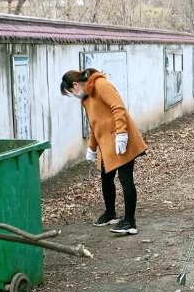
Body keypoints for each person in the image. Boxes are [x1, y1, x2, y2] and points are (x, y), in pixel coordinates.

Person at [60, 68, 147, 235]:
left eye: (71, 92)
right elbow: (94, 125)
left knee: (125, 178)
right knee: (106, 178)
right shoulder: (86, 99)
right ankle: (110, 214)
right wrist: (91, 148)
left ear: (76, 85)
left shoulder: (100, 84)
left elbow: (118, 108)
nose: (73, 96)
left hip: (121, 139)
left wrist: (122, 133)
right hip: (106, 145)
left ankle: (130, 222)